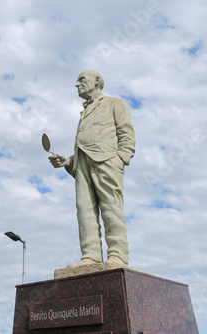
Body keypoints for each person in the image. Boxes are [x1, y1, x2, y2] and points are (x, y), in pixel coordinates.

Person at [49, 70, 135, 267]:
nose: (77, 85)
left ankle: (118, 256)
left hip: (107, 161)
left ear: (97, 81)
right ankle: (90, 256)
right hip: (82, 164)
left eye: (81, 80)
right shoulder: (84, 112)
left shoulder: (115, 103)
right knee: (84, 211)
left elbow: (126, 134)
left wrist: (120, 159)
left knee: (111, 207)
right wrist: (68, 161)